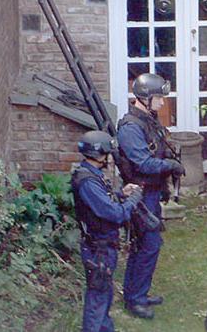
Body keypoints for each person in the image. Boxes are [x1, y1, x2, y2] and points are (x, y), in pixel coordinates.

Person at [117, 73, 185, 319]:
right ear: (145, 98)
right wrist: (170, 166)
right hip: (140, 194)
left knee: (147, 246)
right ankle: (134, 299)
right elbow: (143, 163)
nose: (162, 102)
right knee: (146, 245)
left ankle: (138, 293)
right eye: (159, 97)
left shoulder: (148, 120)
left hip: (152, 193)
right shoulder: (131, 128)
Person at [71, 130, 143, 332]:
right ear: (100, 154)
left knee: (104, 294)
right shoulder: (88, 182)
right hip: (98, 249)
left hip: (102, 246)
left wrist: (121, 193)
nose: (110, 157)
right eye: (108, 153)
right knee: (97, 299)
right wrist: (132, 201)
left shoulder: (92, 176)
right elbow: (115, 214)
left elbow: (102, 201)